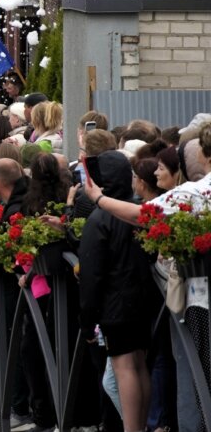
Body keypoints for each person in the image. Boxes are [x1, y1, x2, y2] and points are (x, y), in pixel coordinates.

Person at [79, 151, 162, 432]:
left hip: (115, 303)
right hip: (143, 299)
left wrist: (87, 322)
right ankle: (140, 427)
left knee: (124, 367)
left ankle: (132, 429)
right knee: (139, 365)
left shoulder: (101, 218)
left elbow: (91, 274)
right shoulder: (134, 209)